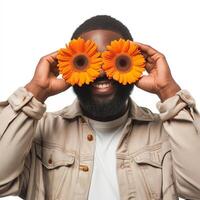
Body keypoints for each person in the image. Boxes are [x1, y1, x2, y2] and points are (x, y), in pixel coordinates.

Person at [0, 15, 199, 200]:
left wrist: (168, 91)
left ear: (135, 65)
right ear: (68, 67)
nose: (101, 72)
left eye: (115, 60)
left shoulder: (167, 132)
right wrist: (35, 91)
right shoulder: (38, 130)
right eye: (86, 60)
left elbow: (196, 188)